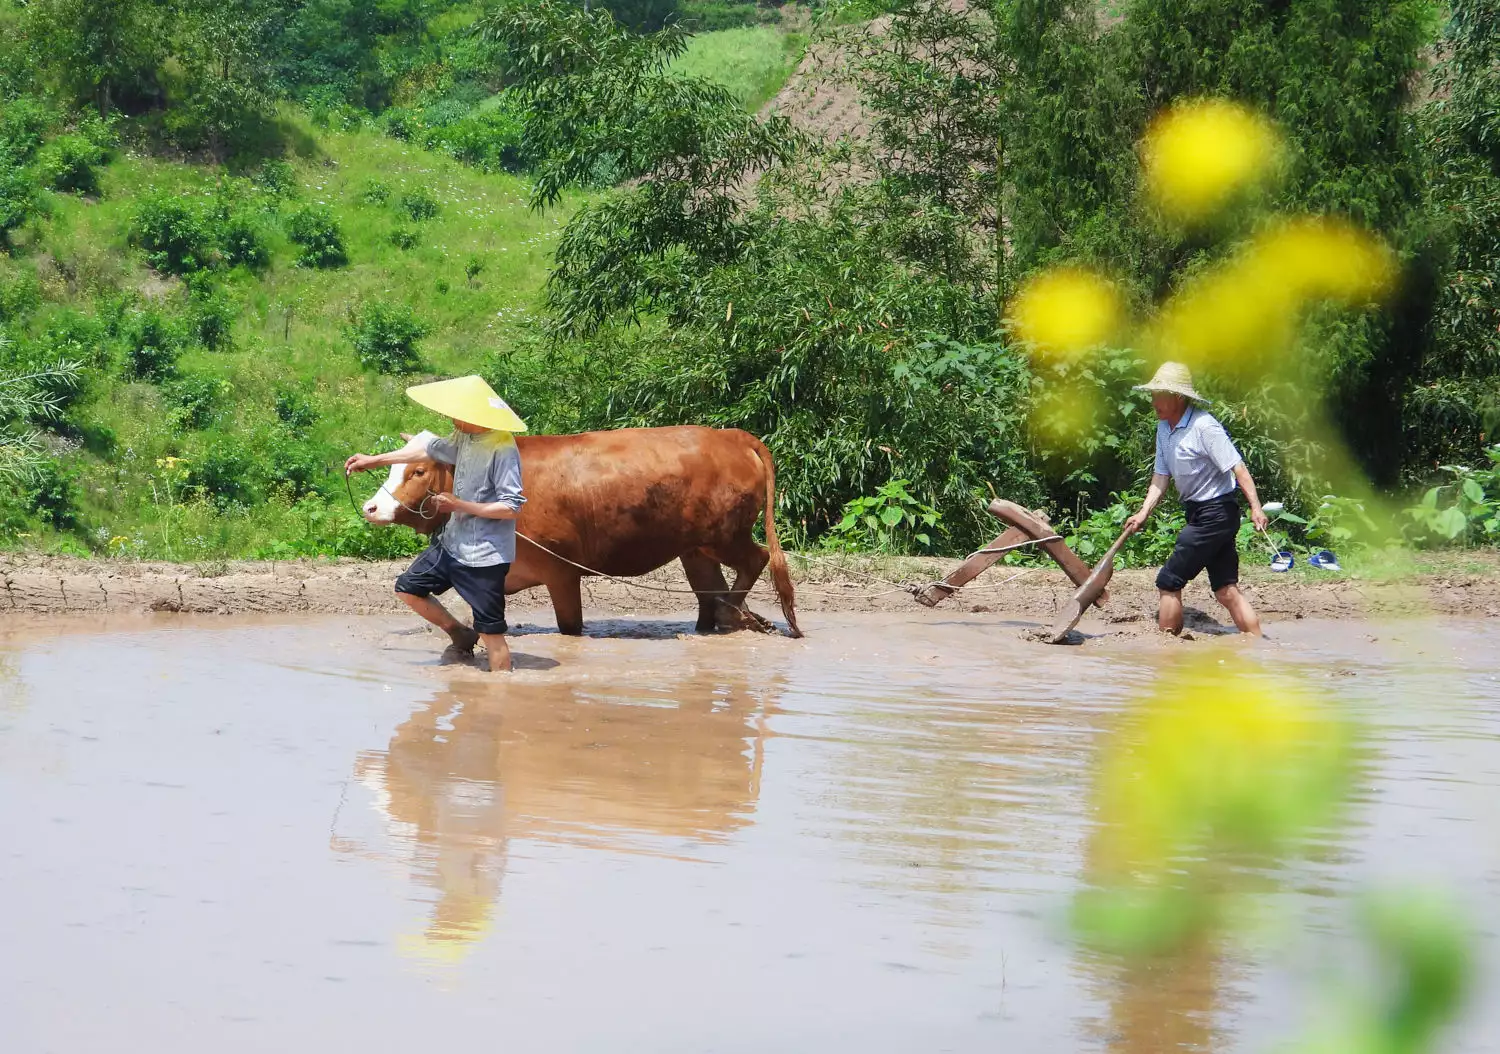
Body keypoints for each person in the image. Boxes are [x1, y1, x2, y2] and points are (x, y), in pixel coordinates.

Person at [345, 375, 527, 672]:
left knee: (493, 637)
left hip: (484, 555)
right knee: (407, 588)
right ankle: (459, 633)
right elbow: (428, 450)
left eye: (458, 414)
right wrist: (374, 460)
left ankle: (499, 697)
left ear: (476, 416)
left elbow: (511, 506)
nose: (453, 419)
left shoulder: (502, 448)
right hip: (452, 544)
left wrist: (459, 505)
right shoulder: (464, 437)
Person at [1122, 362, 1268, 637]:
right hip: (1200, 513)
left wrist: (1256, 508)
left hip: (1216, 513)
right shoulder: (1164, 429)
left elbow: (1238, 468)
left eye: (1158, 394)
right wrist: (1143, 513)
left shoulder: (1204, 426)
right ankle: (1258, 644)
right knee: (1225, 589)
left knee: (1169, 581)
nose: (1153, 401)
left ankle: (1167, 649)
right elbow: (1160, 477)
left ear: (1177, 397)